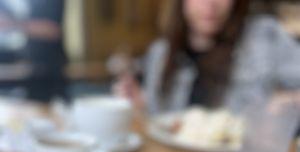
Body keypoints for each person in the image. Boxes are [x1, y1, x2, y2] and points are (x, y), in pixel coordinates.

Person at [114, 0, 300, 114]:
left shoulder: (265, 36)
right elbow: (162, 122)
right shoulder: (161, 52)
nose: (210, 3)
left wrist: (290, 100)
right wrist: (140, 105)